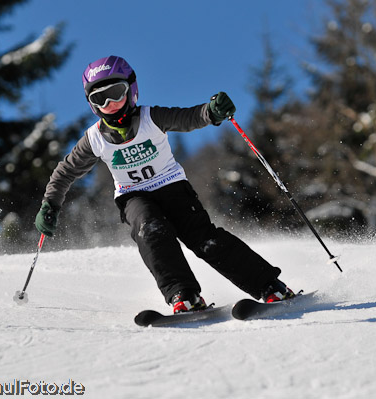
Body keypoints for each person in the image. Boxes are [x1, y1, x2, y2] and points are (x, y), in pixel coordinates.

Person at [35, 55, 294, 313]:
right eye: (99, 99)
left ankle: (269, 286)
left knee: (205, 241)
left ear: (132, 89)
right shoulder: (94, 139)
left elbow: (188, 118)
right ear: (91, 105)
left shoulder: (152, 117)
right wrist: (51, 203)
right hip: (133, 196)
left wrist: (211, 112)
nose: (110, 104)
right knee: (150, 229)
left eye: (116, 93)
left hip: (172, 188)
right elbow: (65, 172)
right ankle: (184, 294)